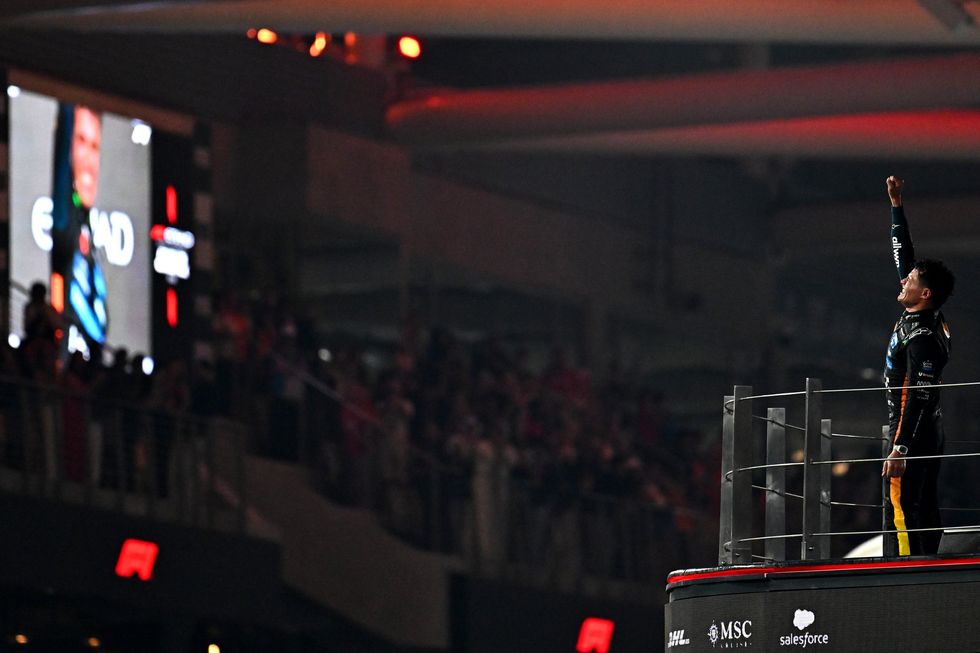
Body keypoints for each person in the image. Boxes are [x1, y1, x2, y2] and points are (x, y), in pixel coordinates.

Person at [881, 176, 955, 557]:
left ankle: (906, 574)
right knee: (922, 507)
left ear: (924, 293)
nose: (903, 280)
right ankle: (927, 568)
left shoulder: (923, 336)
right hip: (922, 432)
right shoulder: (924, 312)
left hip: (912, 432)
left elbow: (920, 395)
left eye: (909, 280)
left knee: (903, 509)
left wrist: (901, 448)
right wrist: (896, 206)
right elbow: (904, 255)